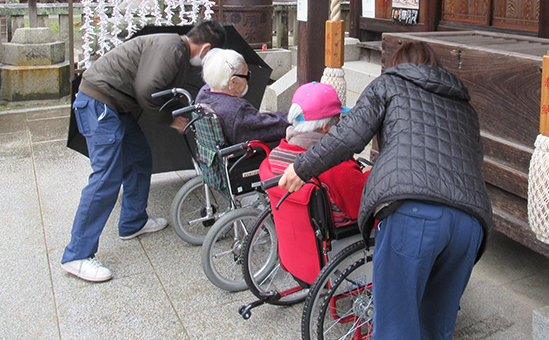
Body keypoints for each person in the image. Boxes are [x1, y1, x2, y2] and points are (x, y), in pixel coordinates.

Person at [279, 41, 492, 340]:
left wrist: (302, 167)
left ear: (397, 65)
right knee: (437, 327)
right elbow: (474, 160)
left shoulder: (388, 84)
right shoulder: (464, 105)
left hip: (414, 213)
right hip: (470, 221)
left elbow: (349, 135)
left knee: (396, 329)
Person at [62, 20, 226, 283]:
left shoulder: (177, 51)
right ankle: (77, 255)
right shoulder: (172, 49)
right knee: (106, 178)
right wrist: (169, 119)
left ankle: (133, 221)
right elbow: (147, 89)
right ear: (206, 48)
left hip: (117, 106)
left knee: (140, 158)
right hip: (99, 104)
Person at [267, 82, 367, 226]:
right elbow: (366, 207)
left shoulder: (275, 155)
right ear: (325, 126)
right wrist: (369, 175)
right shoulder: (336, 166)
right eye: (338, 118)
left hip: (293, 231)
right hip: (344, 233)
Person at [194, 48, 288, 146]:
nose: (247, 81)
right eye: (247, 75)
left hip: (216, 152)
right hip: (243, 154)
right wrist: (292, 117)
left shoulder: (203, 94)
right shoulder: (236, 110)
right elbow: (270, 127)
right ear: (233, 82)